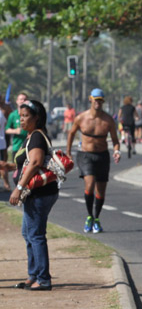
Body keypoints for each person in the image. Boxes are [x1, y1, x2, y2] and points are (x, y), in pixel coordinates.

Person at [4, 100, 60, 290]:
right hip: (36, 194)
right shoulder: (31, 136)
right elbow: (27, 163)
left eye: (26, 116)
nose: (21, 120)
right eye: (20, 116)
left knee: (35, 235)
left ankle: (43, 279)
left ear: (37, 118)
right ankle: (34, 275)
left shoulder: (36, 136)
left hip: (39, 193)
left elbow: (35, 163)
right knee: (28, 233)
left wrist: (18, 188)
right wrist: (10, 166)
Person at [66, 88, 121, 233]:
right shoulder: (81, 118)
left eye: (101, 100)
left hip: (102, 155)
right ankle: (89, 215)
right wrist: (68, 153)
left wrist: (116, 151)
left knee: (101, 191)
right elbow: (71, 134)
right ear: (90, 99)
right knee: (89, 184)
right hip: (85, 155)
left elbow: (115, 140)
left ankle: (96, 218)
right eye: (96, 100)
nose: (98, 102)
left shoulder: (108, 120)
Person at [5, 92, 29, 161]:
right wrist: (15, 131)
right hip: (17, 147)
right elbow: (6, 129)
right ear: (17, 101)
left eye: (25, 99)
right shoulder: (12, 115)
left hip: (29, 146)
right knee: (16, 170)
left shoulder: (31, 115)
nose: (23, 101)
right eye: (21, 99)